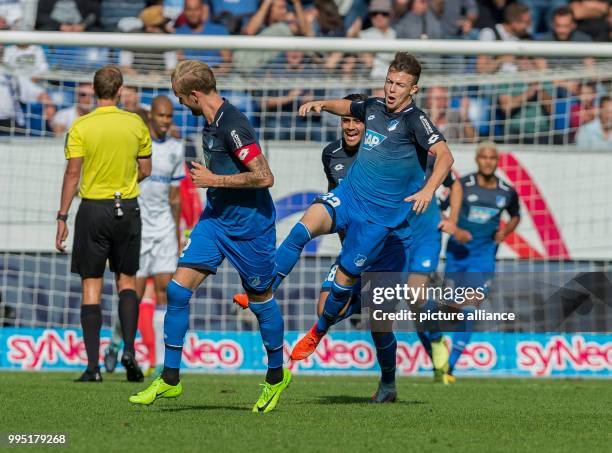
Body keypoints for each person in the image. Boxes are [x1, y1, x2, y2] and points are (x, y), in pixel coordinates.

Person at [266, 53, 453, 400]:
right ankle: (265, 290)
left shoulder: (415, 120)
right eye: (389, 81)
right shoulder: (370, 110)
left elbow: (445, 156)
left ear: (414, 88)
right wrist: (322, 103)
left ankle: (387, 383)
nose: (392, 89)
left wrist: (429, 189)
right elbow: (349, 107)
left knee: (379, 323)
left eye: (399, 84)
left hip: (388, 230)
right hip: (352, 202)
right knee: (301, 231)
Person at [129, 60, 290, 413]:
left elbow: (264, 177)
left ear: (196, 94)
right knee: (176, 289)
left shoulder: (233, 125)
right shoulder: (208, 120)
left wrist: (214, 181)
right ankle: (170, 378)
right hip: (216, 220)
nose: (181, 105)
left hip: (250, 227)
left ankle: (277, 376)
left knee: (261, 302)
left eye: (181, 98)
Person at [55, 65, 152, 382]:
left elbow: (72, 174)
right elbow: (146, 169)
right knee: (126, 283)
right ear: (120, 91)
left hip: (93, 209)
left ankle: (93, 368)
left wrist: (62, 216)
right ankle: (128, 351)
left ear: (95, 92)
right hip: (126, 206)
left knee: (91, 286)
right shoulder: (135, 122)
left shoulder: (81, 125)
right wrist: (124, 182)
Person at [105, 95, 185, 376]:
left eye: (169, 117)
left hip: (163, 229)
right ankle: (116, 345)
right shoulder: (137, 145)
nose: (165, 121)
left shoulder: (177, 148)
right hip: (138, 227)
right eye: (161, 116)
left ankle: (161, 361)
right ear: (151, 117)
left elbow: (175, 197)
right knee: (133, 295)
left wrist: (177, 235)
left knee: (166, 292)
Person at [441, 142, 520, 380]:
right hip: (457, 254)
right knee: (452, 310)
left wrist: (505, 233)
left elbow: (515, 215)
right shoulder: (461, 185)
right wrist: (455, 231)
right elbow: (440, 211)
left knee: (469, 309)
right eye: (484, 157)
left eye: (492, 158)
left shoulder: (506, 191)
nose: (488, 161)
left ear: (497, 161)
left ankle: (449, 367)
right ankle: (442, 351)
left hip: (484, 257)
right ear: (477, 159)